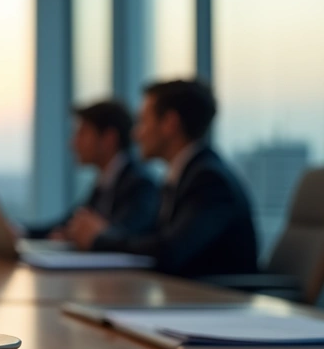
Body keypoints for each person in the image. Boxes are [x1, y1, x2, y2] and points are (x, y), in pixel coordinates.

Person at [65, 80, 259, 278]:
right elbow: (154, 241)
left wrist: (100, 239)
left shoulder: (209, 180)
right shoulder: (186, 175)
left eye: (143, 121)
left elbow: (170, 251)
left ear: (169, 123)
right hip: (183, 292)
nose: (136, 134)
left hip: (210, 295)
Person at [28, 100, 158, 239]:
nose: (73, 143)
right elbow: (67, 224)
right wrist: (24, 231)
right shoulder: (106, 182)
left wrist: (94, 234)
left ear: (109, 138)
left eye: (82, 133)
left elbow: (126, 236)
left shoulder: (140, 184)